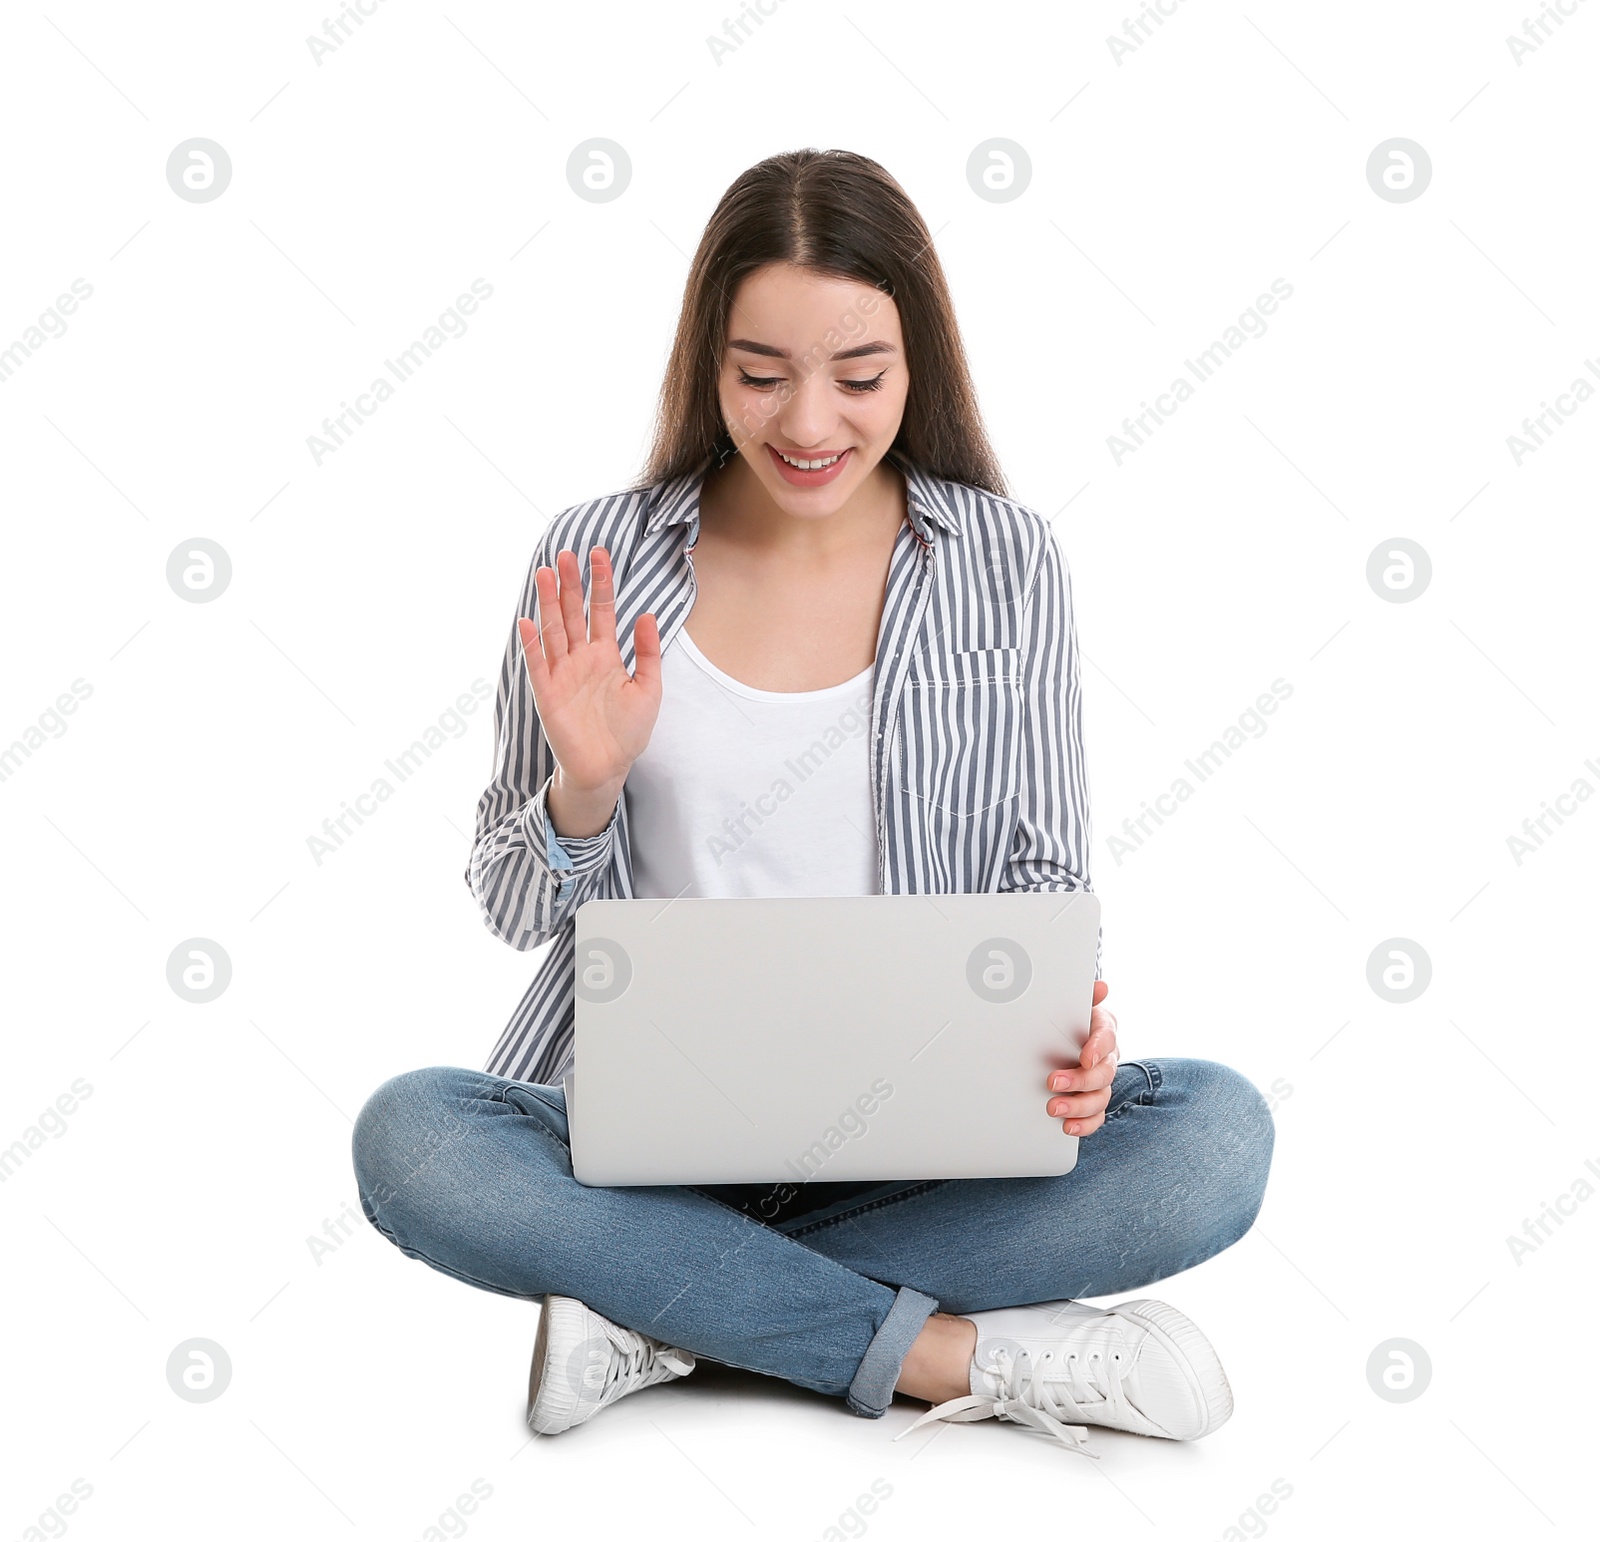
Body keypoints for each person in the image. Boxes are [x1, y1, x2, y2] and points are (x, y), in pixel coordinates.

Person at [351, 147, 1274, 1459]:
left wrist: (1072, 1048)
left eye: (858, 377)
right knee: (412, 1142)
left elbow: (1045, 884)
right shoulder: (592, 558)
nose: (808, 425)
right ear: (707, 362)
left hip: (924, 1131)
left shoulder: (1005, 564)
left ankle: (659, 1312)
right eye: (761, 375)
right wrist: (586, 784)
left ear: (919, 364)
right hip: (639, 1135)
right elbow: (508, 899)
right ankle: (952, 1352)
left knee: (1218, 1134)